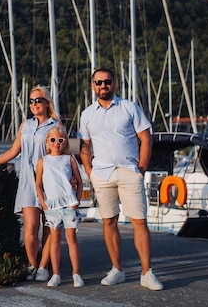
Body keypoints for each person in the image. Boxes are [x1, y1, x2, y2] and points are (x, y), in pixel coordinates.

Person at [78, 68, 164, 291]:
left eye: (107, 82)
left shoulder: (129, 107)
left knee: (139, 222)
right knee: (109, 221)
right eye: (98, 83)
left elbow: (146, 137)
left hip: (129, 171)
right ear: (93, 85)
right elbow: (85, 145)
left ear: (113, 83)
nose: (103, 86)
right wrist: (89, 171)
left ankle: (147, 273)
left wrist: (142, 167)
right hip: (102, 174)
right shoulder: (87, 114)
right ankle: (117, 269)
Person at [0, 85, 59, 282]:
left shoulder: (56, 126)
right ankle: (32, 265)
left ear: (47, 102)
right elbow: (13, 151)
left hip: (49, 181)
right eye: (31, 101)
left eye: (38, 100)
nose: (34, 104)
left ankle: (43, 267)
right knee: (30, 227)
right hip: (27, 182)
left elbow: (61, 154)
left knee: (49, 226)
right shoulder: (26, 125)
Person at [35, 126, 84, 287]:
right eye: (53, 140)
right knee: (54, 240)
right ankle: (55, 274)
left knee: (72, 239)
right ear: (48, 142)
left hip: (69, 205)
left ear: (65, 143)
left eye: (60, 140)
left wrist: (77, 200)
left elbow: (80, 180)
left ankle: (76, 273)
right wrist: (44, 204)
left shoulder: (69, 159)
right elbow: (38, 185)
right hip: (52, 207)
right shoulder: (43, 160)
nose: (57, 143)